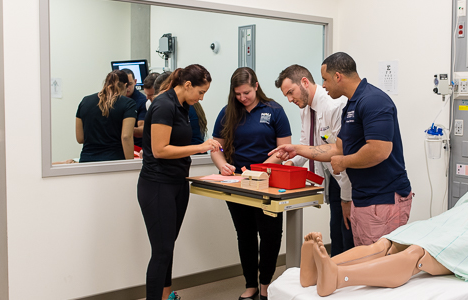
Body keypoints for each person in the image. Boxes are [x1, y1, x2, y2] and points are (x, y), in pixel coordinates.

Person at [300, 146, 468, 297]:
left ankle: (339, 277)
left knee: (417, 253)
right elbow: (462, 208)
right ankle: (318, 268)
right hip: (452, 222)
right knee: (386, 243)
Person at [270, 52, 413, 247]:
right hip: (363, 195)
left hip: (383, 196)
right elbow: (338, 147)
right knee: (360, 257)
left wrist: (343, 162)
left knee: (378, 260)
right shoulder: (351, 105)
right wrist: (296, 149)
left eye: (326, 79)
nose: (324, 85)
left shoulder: (373, 101)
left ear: (338, 76)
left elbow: (379, 151)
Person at [137, 64, 220, 300]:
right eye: (200, 92)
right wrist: (202, 147)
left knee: (167, 247)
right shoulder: (164, 104)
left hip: (176, 182)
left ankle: (165, 296)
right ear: (187, 85)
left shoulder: (182, 105)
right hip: (157, 184)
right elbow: (160, 150)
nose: (202, 97)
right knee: (161, 251)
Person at [210, 67, 292, 300]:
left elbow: (284, 149)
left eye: (246, 92)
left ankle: (265, 283)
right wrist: (222, 162)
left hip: (268, 183)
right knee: (245, 234)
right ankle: (250, 284)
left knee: (271, 234)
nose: (242, 98)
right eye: (237, 94)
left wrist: (260, 170)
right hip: (238, 184)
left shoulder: (274, 110)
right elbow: (218, 146)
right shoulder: (228, 112)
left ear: (256, 86)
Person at [274, 64, 354, 256]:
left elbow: (341, 152)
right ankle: (334, 276)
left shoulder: (334, 106)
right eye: (286, 95)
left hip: (348, 177)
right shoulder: (305, 109)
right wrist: (291, 164)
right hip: (332, 178)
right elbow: (306, 146)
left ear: (304, 82)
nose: (290, 99)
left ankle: (348, 279)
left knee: (348, 232)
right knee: (336, 231)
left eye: (291, 92)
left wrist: (347, 198)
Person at [75, 70, 136, 162]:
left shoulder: (85, 101)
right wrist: (130, 164)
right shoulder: (128, 104)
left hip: (87, 161)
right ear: (125, 85)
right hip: (114, 161)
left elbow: (80, 138)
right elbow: (126, 137)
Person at [121, 68, 149, 149]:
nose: (127, 88)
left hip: (136, 146)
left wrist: (122, 128)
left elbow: (142, 129)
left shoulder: (142, 101)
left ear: (135, 82)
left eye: (129, 84)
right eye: (123, 85)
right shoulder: (113, 100)